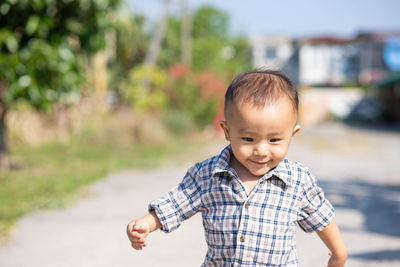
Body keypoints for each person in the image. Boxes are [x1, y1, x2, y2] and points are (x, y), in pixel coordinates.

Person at [126, 69, 347, 266]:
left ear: (292, 134)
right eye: (248, 139)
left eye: (274, 140)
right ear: (227, 131)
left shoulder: (297, 180)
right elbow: (176, 203)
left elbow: (322, 217)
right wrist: (147, 223)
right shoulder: (208, 174)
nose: (261, 150)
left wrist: (339, 254)